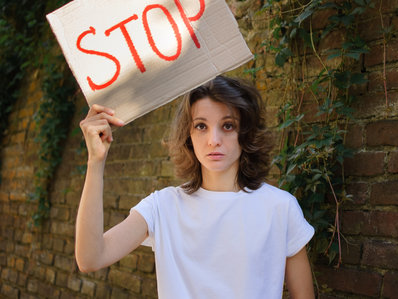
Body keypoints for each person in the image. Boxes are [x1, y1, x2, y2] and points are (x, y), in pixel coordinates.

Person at [76, 75, 315, 299]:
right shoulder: (162, 207)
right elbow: (90, 259)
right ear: (188, 134)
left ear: (246, 132)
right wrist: (95, 162)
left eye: (228, 126)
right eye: (201, 126)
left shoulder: (280, 208)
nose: (214, 140)